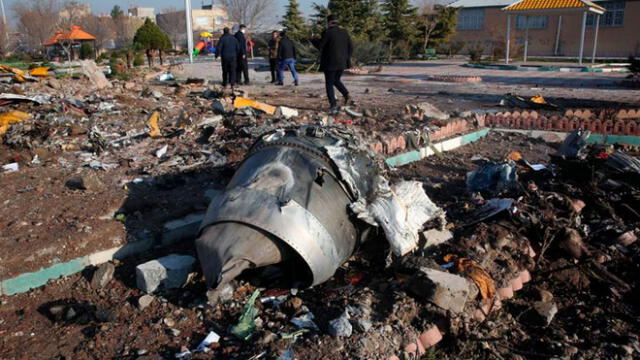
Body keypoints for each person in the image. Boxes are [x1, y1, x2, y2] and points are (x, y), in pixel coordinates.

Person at [315, 15, 353, 111]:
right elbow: (351, 47)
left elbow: (320, 46)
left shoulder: (327, 32)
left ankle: (333, 104)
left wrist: (313, 40)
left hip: (330, 63)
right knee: (336, 80)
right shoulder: (344, 32)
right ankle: (346, 95)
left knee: (329, 83)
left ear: (329, 22)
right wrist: (347, 59)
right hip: (342, 62)